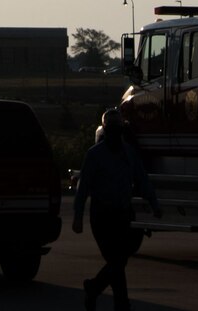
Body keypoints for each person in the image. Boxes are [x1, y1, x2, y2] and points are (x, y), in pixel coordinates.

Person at [73, 108, 160, 310]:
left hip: (122, 214)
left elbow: (142, 179)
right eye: (111, 129)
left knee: (118, 262)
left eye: (117, 129)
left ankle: (95, 289)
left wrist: (154, 204)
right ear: (105, 130)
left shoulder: (129, 153)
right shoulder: (94, 155)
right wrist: (78, 217)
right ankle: (119, 303)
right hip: (101, 216)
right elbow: (83, 187)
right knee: (116, 261)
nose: (114, 134)